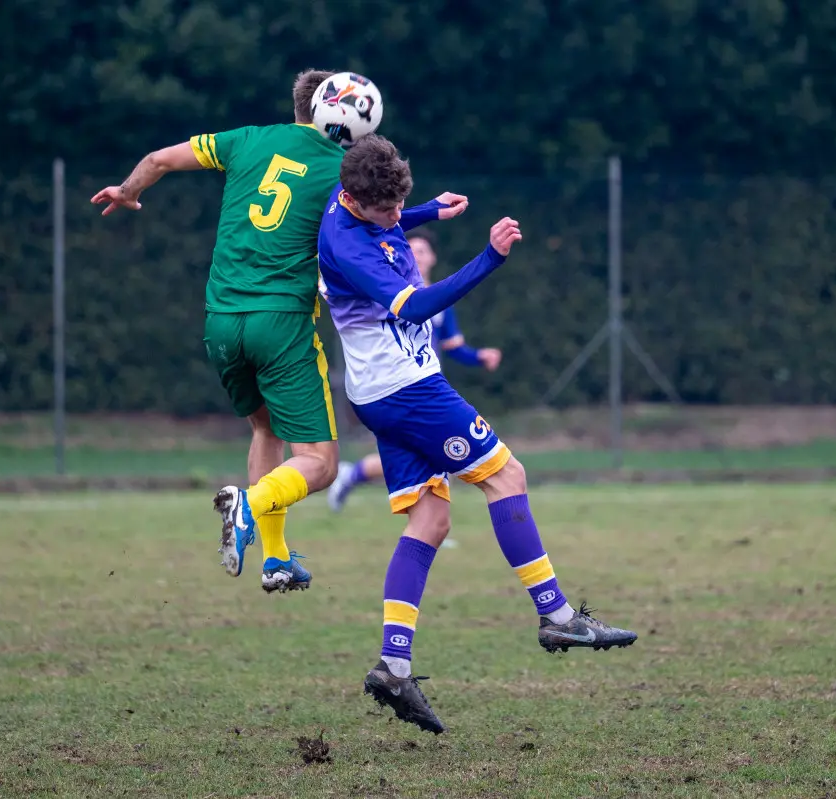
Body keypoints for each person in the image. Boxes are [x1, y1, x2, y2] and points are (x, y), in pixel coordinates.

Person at [316, 135, 638, 735]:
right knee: (507, 475)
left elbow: (390, 217)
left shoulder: (348, 201)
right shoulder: (348, 246)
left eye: (398, 208)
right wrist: (488, 258)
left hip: (380, 391)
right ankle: (557, 615)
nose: (396, 221)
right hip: (407, 391)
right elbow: (413, 307)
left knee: (431, 521)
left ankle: (393, 664)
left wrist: (426, 211)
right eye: (387, 213)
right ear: (358, 204)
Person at [91, 69, 347, 594]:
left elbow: (159, 159)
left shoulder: (246, 139)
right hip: (281, 324)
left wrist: (127, 191)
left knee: (266, 430)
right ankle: (247, 504)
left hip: (222, 322)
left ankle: (275, 559)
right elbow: (377, 220)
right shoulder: (340, 165)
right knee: (319, 464)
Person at [327, 232, 502, 514]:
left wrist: (479, 357)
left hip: (429, 387)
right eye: (413, 250)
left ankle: (427, 524)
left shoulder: (442, 296)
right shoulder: (387, 290)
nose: (418, 255)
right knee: (428, 457)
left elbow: (453, 347)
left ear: (433, 258)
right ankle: (355, 474)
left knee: (427, 460)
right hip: (393, 390)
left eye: (423, 251)